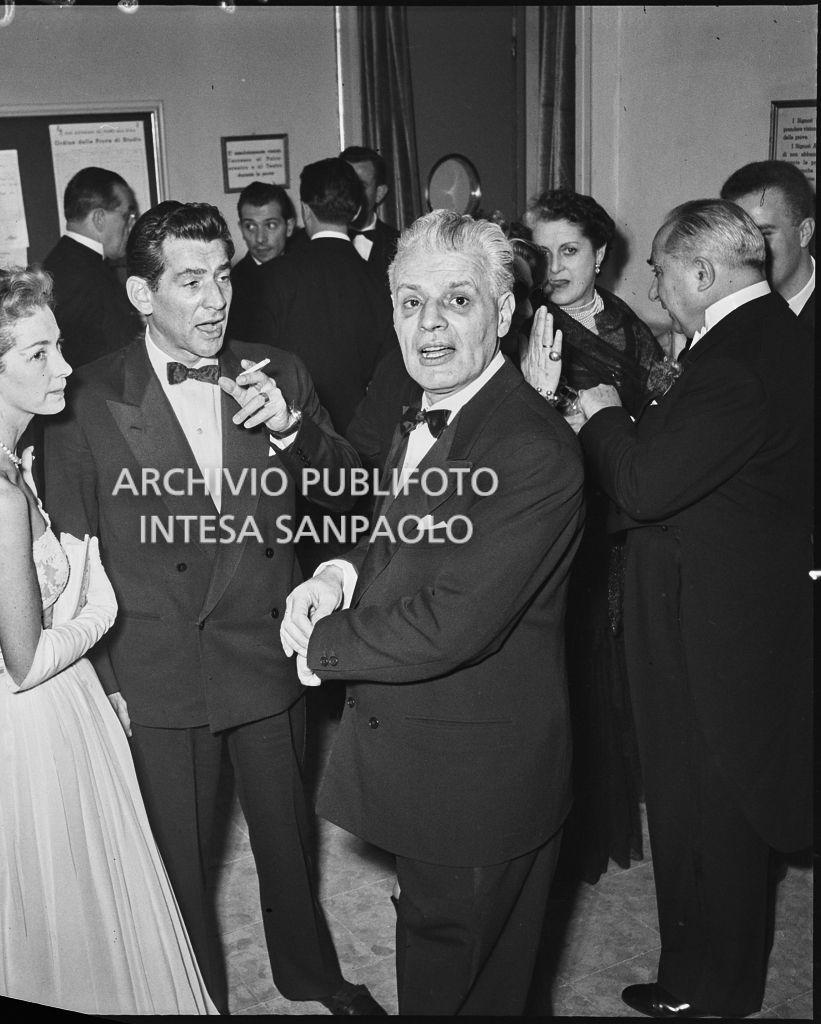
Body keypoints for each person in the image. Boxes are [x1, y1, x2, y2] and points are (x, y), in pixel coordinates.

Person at [43, 201, 385, 1016]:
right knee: (183, 859)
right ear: (139, 293)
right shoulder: (85, 398)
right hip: (159, 665)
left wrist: (293, 432)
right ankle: (196, 994)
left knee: (286, 838)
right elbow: (69, 562)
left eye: (222, 275)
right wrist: (103, 680)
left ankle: (311, 973)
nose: (215, 299)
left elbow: (346, 499)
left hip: (264, 647)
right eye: (189, 281)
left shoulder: (278, 372)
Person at [0, 267, 215, 1015]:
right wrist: (100, 604)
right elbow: (28, 659)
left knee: (61, 911)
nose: (64, 366)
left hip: (0, 711)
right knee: (70, 914)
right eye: (38, 355)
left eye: (58, 346)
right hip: (29, 720)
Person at [280, 210, 585, 1016]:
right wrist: (339, 576)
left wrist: (323, 644)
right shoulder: (430, 410)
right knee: (445, 964)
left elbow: (454, 618)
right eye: (410, 302)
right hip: (435, 771)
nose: (430, 325)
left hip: (479, 788)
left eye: (456, 300)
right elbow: (395, 530)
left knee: (456, 983)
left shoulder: (528, 447)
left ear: (505, 311)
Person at [574, 199, 813, 1019]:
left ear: (703, 274)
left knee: (703, 812)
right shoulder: (769, 337)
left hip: (710, 633)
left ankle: (705, 992)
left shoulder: (736, 361)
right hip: (735, 615)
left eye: (661, 271)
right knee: (716, 812)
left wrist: (600, 415)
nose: (653, 285)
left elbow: (644, 485)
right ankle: (710, 979)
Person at [520, 188, 672, 890]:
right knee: (570, 672)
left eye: (570, 251)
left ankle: (615, 818)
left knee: (622, 669)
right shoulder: (521, 326)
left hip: (630, 518)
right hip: (565, 517)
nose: (553, 266)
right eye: (541, 251)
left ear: (600, 256)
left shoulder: (630, 324)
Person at [248, 157, 396, 437]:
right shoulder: (381, 283)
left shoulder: (269, 278)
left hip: (291, 435)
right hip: (361, 441)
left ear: (305, 211)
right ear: (355, 214)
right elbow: (388, 377)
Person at [42, 166, 142, 368]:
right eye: (127, 217)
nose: (132, 226)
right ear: (99, 219)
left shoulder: (61, 261)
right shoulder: (90, 276)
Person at [721, 159, 815, 334]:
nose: (748, 249)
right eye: (738, 236)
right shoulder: (728, 307)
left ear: (804, 233)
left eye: (763, 234)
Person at [228, 180, 300, 340]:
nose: (260, 238)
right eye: (251, 227)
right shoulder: (233, 286)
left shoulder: (306, 273)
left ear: (289, 227)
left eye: (271, 225)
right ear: (241, 229)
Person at [340, 145, 400, 287]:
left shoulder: (401, 246)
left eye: (360, 185)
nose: (351, 193)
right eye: (345, 184)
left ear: (380, 193)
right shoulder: (314, 243)